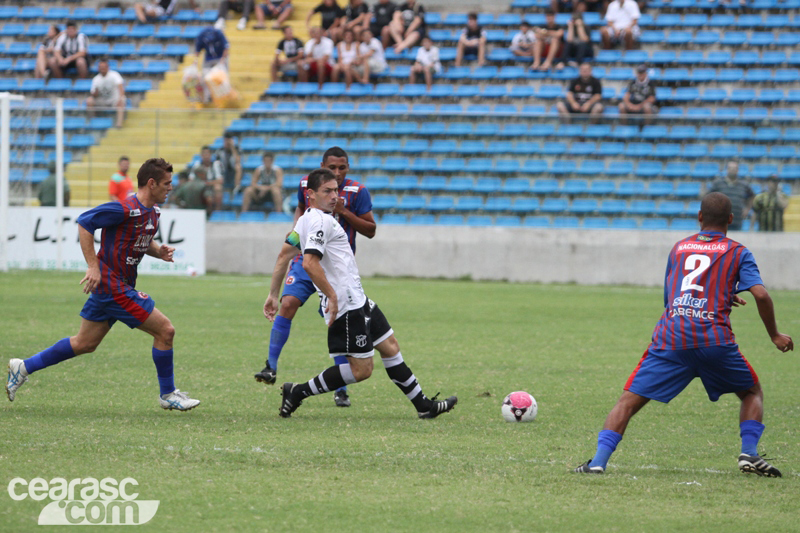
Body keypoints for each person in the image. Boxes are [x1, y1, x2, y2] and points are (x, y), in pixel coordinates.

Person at [574, 192, 793, 476]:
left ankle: (598, 463)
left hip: (672, 338)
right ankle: (749, 453)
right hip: (714, 340)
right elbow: (761, 295)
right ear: (731, 219)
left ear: (699, 217)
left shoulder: (679, 248)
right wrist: (774, 334)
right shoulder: (738, 251)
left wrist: (719, 296)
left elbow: (673, 297)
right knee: (752, 392)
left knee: (628, 401)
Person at [6, 158, 201, 412]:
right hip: (113, 286)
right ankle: (168, 394)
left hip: (115, 287)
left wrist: (158, 251)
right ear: (151, 183)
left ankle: (23, 366)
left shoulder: (153, 213)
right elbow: (85, 222)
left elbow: (139, 240)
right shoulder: (123, 208)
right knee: (165, 331)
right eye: (167, 183)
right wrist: (92, 265)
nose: (170, 188)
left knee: (84, 343)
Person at [263, 168, 458, 420]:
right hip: (345, 304)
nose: (334, 196)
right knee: (361, 370)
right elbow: (309, 263)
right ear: (310, 194)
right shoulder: (320, 221)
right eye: (327, 191)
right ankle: (297, 391)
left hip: (358, 298)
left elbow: (284, 255)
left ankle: (423, 406)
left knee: (390, 346)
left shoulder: (305, 220)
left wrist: (272, 294)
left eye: (336, 190)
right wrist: (331, 296)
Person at [254, 147, 376, 409]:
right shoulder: (310, 208)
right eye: (331, 169)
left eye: (342, 168)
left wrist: (343, 212)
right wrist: (274, 294)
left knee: (339, 326)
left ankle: (340, 389)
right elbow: (291, 250)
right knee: (290, 305)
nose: (337, 174)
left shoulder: (356, 193)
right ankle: (271, 367)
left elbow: (371, 230)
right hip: (311, 264)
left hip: (335, 271)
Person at [706, 161, 754, 232]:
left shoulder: (744, 185)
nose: (733, 170)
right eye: (730, 168)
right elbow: (708, 197)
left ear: (738, 170)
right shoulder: (718, 184)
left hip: (737, 219)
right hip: (720, 220)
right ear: (727, 169)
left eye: (735, 168)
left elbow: (752, 196)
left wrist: (747, 208)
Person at [87, 58, 125, 129]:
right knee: (89, 101)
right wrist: (96, 91)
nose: (102, 69)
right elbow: (93, 94)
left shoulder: (114, 75)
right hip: (103, 101)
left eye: (104, 67)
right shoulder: (96, 79)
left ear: (107, 67)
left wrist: (121, 98)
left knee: (122, 101)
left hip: (114, 100)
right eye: (101, 67)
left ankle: (119, 124)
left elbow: (120, 87)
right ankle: (92, 122)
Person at [191, 146, 225, 213]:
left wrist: (207, 183)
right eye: (204, 154)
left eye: (207, 154)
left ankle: (217, 211)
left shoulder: (216, 164)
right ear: (201, 155)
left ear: (210, 155)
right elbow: (191, 179)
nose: (206, 156)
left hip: (211, 187)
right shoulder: (197, 165)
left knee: (218, 188)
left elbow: (220, 180)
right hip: (199, 188)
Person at [215, 132, 242, 204]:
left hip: (233, 171)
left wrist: (232, 148)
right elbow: (216, 164)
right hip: (223, 172)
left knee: (238, 167)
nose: (227, 143)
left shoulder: (237, 149)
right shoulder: (220, 151)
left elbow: (238, 160)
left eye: (229, 141)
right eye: (226, 141)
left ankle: (237, 187)